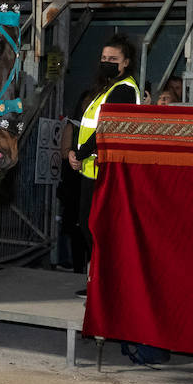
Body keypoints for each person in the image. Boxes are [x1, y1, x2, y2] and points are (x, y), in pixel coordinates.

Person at [61, 33, 139, 283]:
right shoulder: (106, 88)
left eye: (113, 59)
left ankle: (104, 283)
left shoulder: (124, 90)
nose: (107, 62)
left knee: (97, 229)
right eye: (104, 58)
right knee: (89, 226)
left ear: (126, 62)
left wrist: (80, 153)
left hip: (105, 171)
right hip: (92, 169)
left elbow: (106, 129)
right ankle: (97, 282)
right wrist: (75, 151)